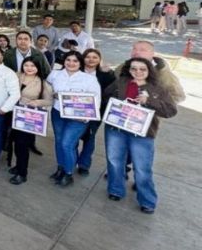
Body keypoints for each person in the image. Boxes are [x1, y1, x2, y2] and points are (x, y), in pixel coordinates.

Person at [103, 58, 177, 214]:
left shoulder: (157, 88)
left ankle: (147, 201)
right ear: (128, 70)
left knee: (142, 168)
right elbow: (106, 95)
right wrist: (114, 105)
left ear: (149, 70)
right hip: (117, 129)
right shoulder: (121, 82)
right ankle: (116, 190)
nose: (137, 72)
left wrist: (148, 101)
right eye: (134, 69)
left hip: (142, 134)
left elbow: (170, 110)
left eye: (142, 69)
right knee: (115, 162)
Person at [47, 51, 101, 187]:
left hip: (78, 117)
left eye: (75, 61)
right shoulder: (55, 74)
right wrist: (51, 94)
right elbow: (46, 88)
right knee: (59, 142)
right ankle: (60, 168)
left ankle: (68, 173)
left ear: (80, 63)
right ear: (64, 61)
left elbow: (96, 100)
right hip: (58, 113)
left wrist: (86, 117)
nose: (71, 63)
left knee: (67, 144)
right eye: (68, 60)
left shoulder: (89, 79)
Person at [8, 58, 53, 185]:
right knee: (15, 143)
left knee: (22, 145)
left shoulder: (43, 83)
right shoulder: (16, 76)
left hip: (27, 116)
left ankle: (22, 173)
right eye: (26, 65)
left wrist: (37, 102)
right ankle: (17, 166)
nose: (29, 68)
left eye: (32, 65)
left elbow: (49, 101)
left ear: (38, 67)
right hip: (12, 113)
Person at [76, 48, 116, 175]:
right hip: (76, 110)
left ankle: (84, 164)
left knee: (90, 137)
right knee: (74, 136)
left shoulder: (106, 73)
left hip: (96, 111)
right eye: (88, 57)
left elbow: (112, 92)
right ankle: (72, 160)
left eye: (95, 57)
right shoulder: (76, 70)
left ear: (99, 60)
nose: (91, 60)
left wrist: (109, 73)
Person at [119, 41, 185, 104]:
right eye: (134, 49)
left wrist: (149, 102)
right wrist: (109, 73)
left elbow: (178, 97)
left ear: (152, 53)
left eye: (142, 50)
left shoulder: (163, 74)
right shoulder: (123, 67)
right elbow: (114, 86)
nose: (136, 52)